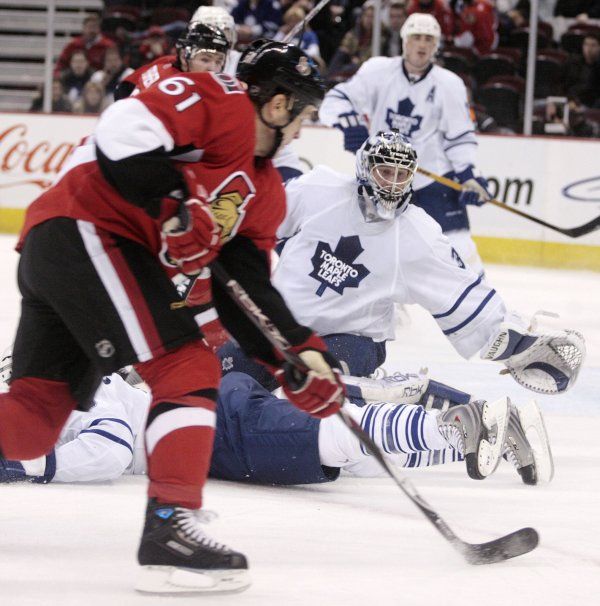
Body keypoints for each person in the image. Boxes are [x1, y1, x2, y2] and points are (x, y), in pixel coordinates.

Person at [0, 40, 344, 595]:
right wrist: (173, 205)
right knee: (188, 367)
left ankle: (169, 526)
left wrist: (296, 356)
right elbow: (122, 131)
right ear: (278, 106)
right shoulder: (220, 98)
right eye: (305, 113)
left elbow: (243, 291)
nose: (305, 128)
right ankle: (169, 530)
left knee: (34, 423)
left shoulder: (266, 192)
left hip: (77, 250)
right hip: (88, 229)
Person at [220, 131, 585, 411]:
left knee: (315, 393)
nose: (393, 184)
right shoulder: (318, 188)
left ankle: (442, 406)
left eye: (401, 174)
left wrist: (519, 345)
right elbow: (259, 223)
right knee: (223, 383)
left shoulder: (417, 235)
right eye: (385, 172)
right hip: (280, 329)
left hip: (352, 340)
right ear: (365, 168)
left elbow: (461, 297)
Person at [0, 362, 553, 486]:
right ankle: (495, 437)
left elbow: (112, 448)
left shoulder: (64, 392)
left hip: (217, 427)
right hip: (216, 407)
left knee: (335, 437)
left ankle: (458, 425)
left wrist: (28, 465)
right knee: (356, 459)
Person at [319, 12, 493, 274]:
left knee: (459, 251)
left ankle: (484, 308)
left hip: (432, 179)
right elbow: (334, 101)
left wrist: (468, 175)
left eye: (428, 39)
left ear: (436, 46)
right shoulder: (378, 70)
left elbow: (459, 136)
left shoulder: (449, 84)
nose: (422, 44)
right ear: (404, 41)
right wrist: (350, 122)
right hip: (384, 179)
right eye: (416, 37)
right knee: (367, 251)